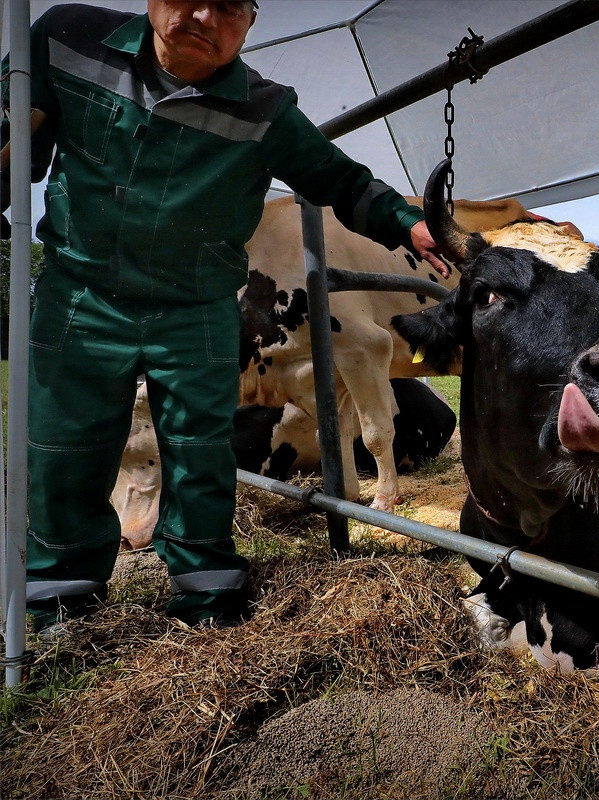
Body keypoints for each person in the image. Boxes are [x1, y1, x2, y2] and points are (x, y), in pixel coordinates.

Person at [2, 0, 447, 632]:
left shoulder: (267, 110)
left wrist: (407, 223)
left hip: (199, 306)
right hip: (82, 294)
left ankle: (205, 590)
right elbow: (13, 132)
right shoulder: (67, 39)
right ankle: (59, 596)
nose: (204, 16)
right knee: (65, 446)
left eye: (230, 5)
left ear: (251, 20)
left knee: (200, 449)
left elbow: (340, 180)